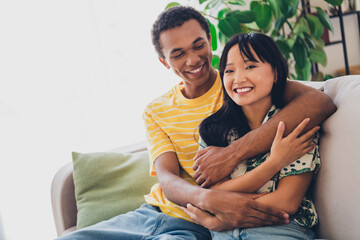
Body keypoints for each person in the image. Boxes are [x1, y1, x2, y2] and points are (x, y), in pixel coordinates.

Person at [57, 6, 335, 240]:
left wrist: (232, 155)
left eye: (198, 45)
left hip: (196, 224)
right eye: (177, 54)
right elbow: (167, 179)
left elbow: (319, 103)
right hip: (158, 211)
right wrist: (208, 199)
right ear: (164, 62)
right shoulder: (156, 110)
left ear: (210, 40)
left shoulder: (240, 89)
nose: (193, 60)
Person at [182, 33, 320, 239]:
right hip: (225, 235)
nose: (238, 79)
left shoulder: (295, 124)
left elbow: (286, 201)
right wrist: (274, 163)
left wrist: (222, 216)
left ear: (275, 72)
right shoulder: (212, 130)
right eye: (229, 70)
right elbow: (210, 196)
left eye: (250, 66)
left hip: (281, 228)